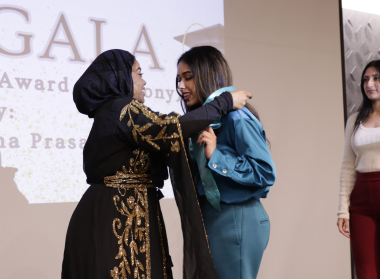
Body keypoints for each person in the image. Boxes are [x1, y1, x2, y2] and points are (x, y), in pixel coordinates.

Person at [61, 49, 252, 279]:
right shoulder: (124, 109)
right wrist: (225, 102)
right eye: (138, 73)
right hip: (117, 215)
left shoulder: (112, 112)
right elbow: (171, 129)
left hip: (119, 209)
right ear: (120, 77)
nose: (144, 81)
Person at [176, 46, 276, 279]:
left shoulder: (236, 118)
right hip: (212, 216)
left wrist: (216, 157)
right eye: (179, 79)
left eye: (188, 77)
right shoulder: (204, 119)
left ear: (207, 75)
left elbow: (265, 172)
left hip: (237, 219)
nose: (182, 86)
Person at [337, 60, 380, 279]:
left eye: (375, 78)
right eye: (365, 79)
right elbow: (348, 166)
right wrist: (343, 210)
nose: (369, 84)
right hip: (362, 200)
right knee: (365, 272)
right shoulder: (355, 120)